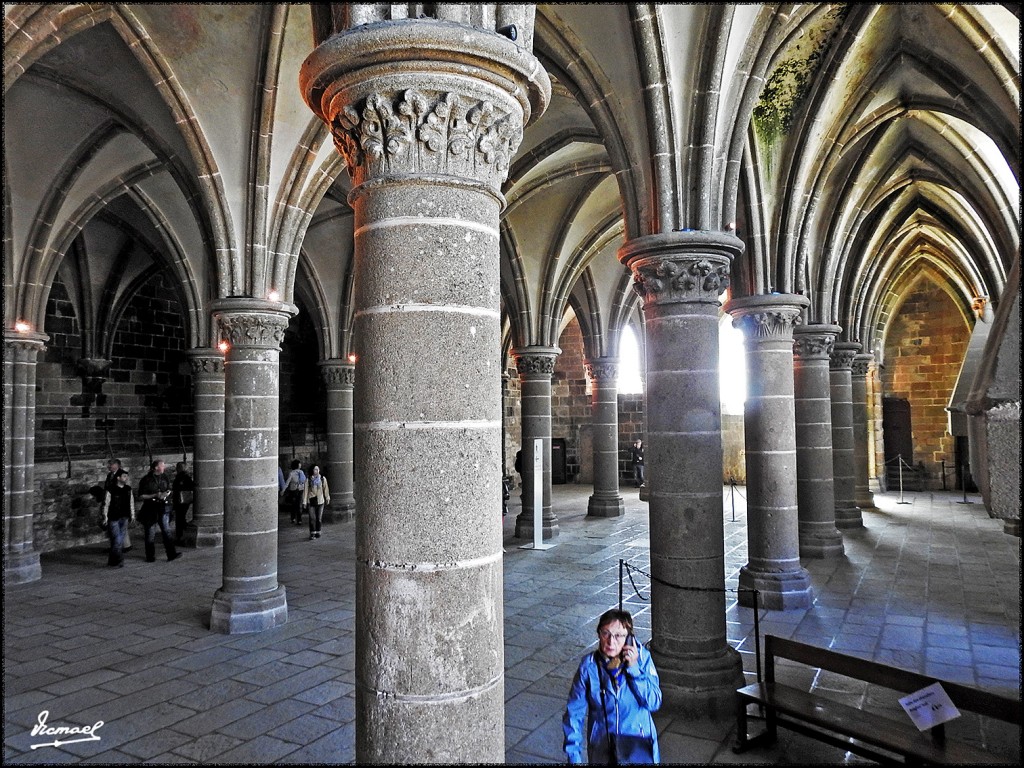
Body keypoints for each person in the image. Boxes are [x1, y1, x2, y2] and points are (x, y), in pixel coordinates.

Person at [563, 609, 662, 765]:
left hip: (638, 742)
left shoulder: (642, 659)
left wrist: (635, 670)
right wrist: (573, 756)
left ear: (629, 638)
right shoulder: (589, 666)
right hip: (602, 743)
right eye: (605, 633)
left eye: (618, 636)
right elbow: (574, 713)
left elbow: (654, 702)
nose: (610, 642)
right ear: (599, 634)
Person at [137, 459, 181, 563]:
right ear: (156, 467)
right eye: (162, 465)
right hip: (150, 508)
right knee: (150, 533)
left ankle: (171, 554)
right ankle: (150, 556)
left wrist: (166, 494)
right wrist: (155, 495)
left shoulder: (164, 477)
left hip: (163, 508)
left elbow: (168, 489)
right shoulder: (146, 480)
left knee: (166, 531)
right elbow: (141, 495)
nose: (164, 467)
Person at [101, 469, 135, 567]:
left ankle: (112, 560)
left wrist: (132, 515)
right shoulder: (111, 489)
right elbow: (106, 504)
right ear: (118, 478)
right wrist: (105, 517)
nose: (126, 478)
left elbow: (131, 502)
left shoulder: (128, 489)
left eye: (126, 476)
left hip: (124, 517)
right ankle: (118, 560)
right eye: (124, 476)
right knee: (117, 539)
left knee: (118, 540)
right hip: (113, 517)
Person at [104, 458, 132, 551]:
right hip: (113, 502)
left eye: (110, 465)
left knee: (120, 528)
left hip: (120, 505)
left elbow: (126, 489)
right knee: (117, 529)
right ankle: (120, 546)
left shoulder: (122, 475)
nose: (108, 467)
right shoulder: (110, 475)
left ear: (116, 465)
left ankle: (123, 546)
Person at [302, 464, 330, 539]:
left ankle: (318, 531)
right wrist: (304, 502)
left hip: (320, 500)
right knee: (312, 518)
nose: (317, 471)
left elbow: (326, 489)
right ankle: (312, 533)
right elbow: (305, 491)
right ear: (312, 470)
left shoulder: (322, 479)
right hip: (311, 501)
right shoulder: (308, 480)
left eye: (318, 469)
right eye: (315, 469)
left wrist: (327, 498)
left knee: (319, 518)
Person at [172, 460, 195, 544]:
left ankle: (181, 535)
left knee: (180, 518)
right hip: (182, 500)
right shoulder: (184, 476)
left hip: (181, 500)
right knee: (180, 518)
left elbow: (190, 486)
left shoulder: (183, 477)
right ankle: (181, 535)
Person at [282, 459, 306, 525]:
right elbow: (287, 482)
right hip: (293, 490)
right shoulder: (292, 473)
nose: (300, 465)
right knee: (294, 505)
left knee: (299, 505)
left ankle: (299, 519)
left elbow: (304, 481)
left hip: (300, 490)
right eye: (299, 463)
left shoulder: (301, 472)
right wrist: (283, 490)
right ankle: (293, 518)